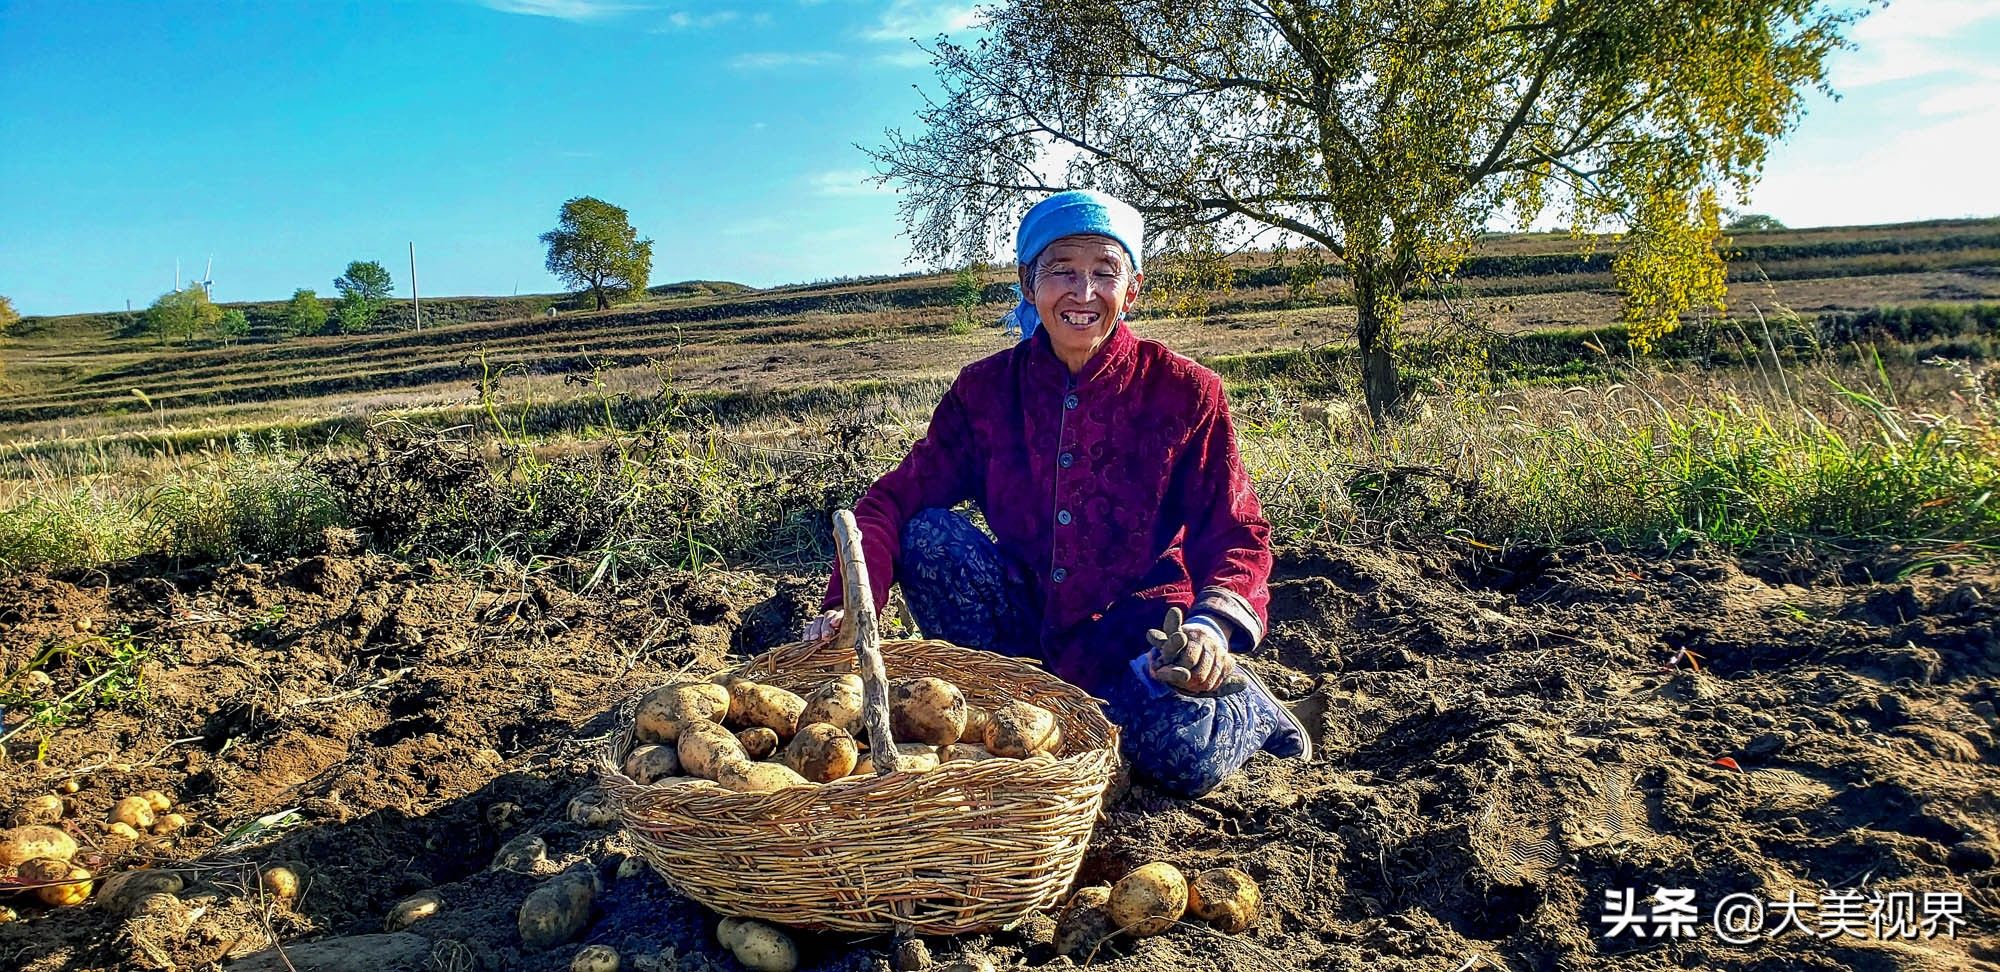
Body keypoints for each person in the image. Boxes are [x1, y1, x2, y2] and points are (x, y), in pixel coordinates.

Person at [803, 189, 1309, 797]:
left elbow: (1234, 531)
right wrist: (851, 607)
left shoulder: (1185, 393)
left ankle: (1251, 710)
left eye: (1104, 272)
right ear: (1026, 280)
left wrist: (1208, 631)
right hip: (1025, 619)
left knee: (1178, 758)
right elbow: (887, 503)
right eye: (1062, 270)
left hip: (1141, 633)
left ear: (1133, 289)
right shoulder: (985, 392)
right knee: (926, 533)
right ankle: (1013, 692)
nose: (1083, 292)